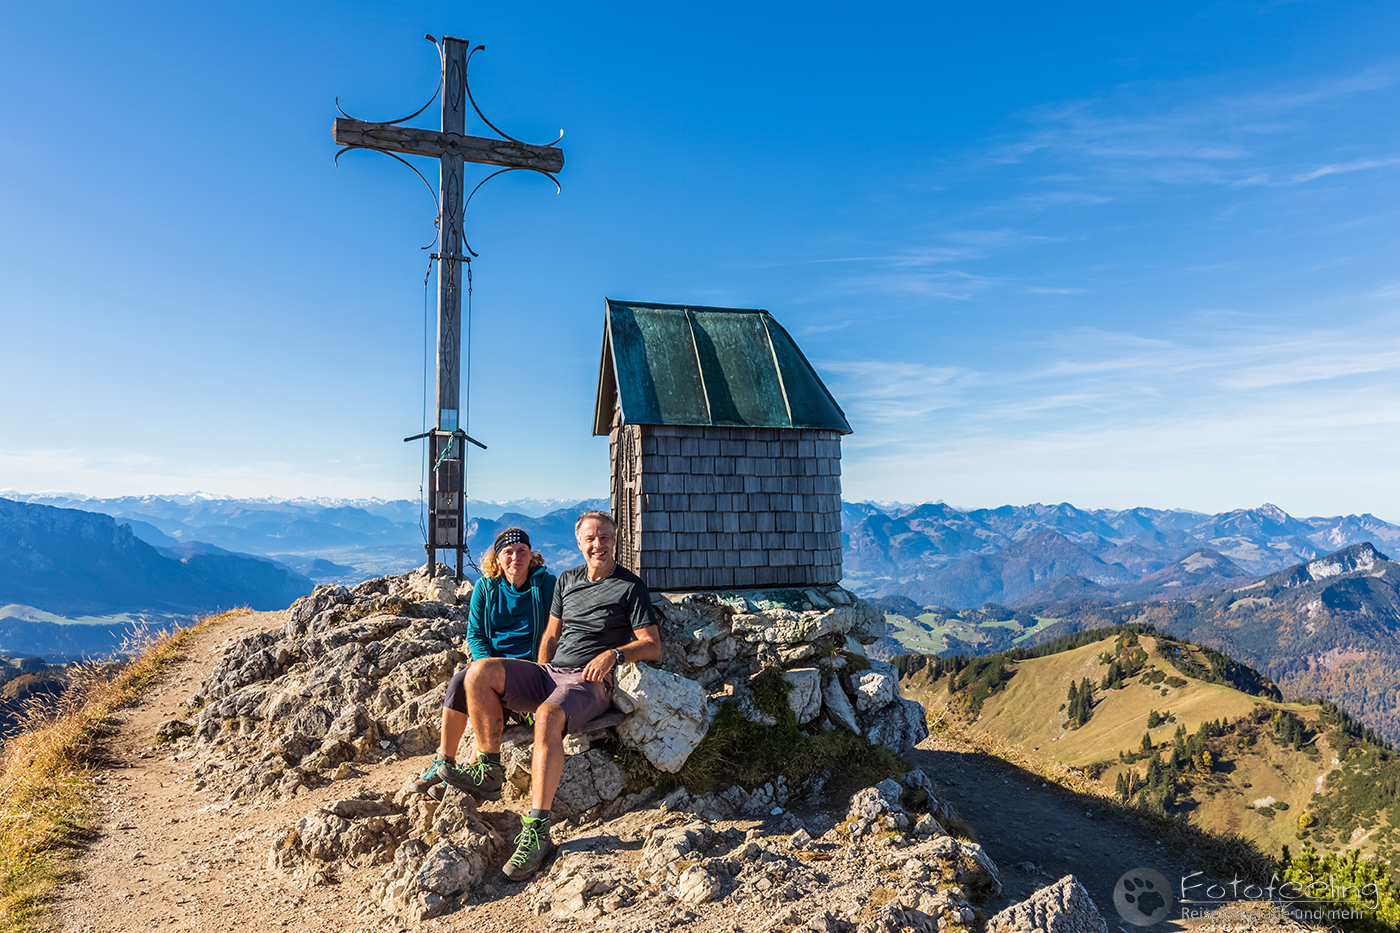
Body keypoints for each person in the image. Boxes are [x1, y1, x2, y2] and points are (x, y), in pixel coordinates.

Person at [449, 510, 661, 882]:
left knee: (547, 714)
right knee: (478, 673)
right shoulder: (567, 580)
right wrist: (541, 672)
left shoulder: (630, 587)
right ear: (579, 543)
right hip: (554, 672)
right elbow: (549, 636)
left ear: (615, 540)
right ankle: (488, 769)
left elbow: (651, 644)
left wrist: (614, 654)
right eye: (590, 539)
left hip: (592, 681)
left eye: (605, 537)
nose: (599, 544)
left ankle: (537, 829)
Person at [408, 527, 555, 796]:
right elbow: (475, 634)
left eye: (521, 551)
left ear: (531, 555)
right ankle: (445, 761)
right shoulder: (486, 588)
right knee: (458, 683)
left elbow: (555, 630)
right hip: (494, 666)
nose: (515, 558)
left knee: (484, 695)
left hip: (530, 670)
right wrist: (486, 668)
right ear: (497, 558)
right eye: (507, 553)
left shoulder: (545, 585)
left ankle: (464, 783)